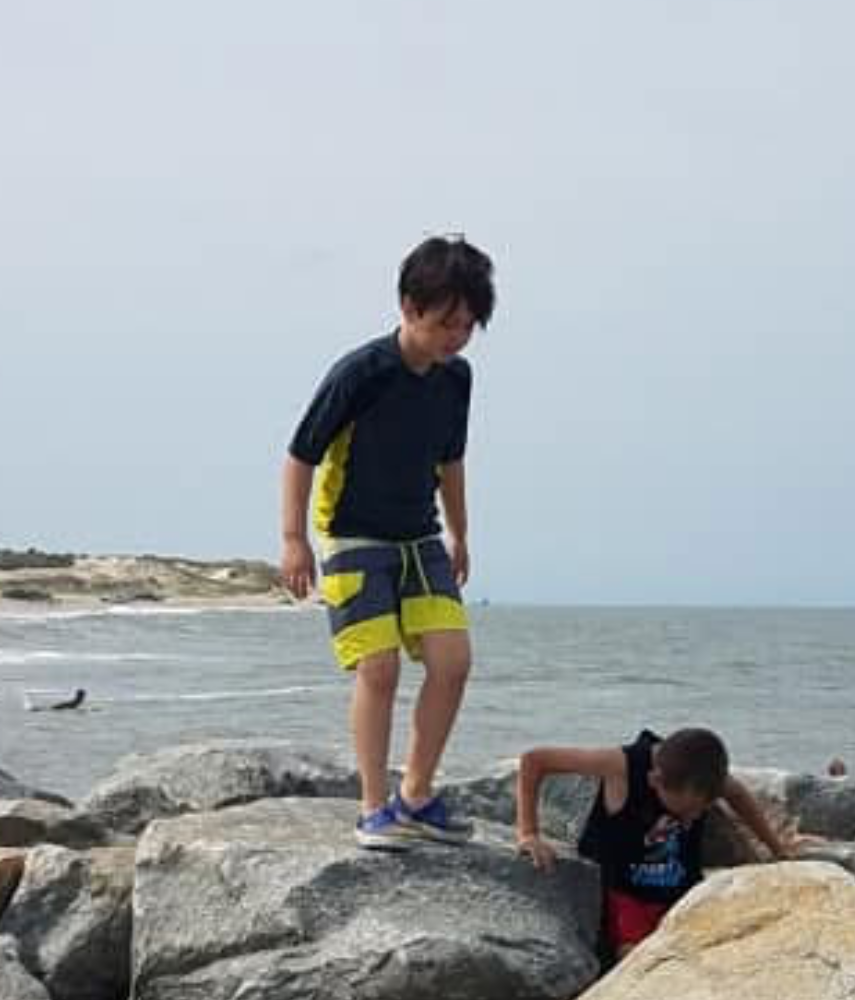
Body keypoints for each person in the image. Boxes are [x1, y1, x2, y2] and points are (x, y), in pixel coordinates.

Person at [281, 235, 495, 846]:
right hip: (353, 537)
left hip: (420, 537)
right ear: (408, 306)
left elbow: (451, 460)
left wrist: (460, 533)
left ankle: (417, 795)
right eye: (445, 322)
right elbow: (301, 454)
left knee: (453, 663)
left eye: (468, 325)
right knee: (378, 670)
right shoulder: (362, 372)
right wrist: (293, 539)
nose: (456, 337)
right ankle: (373, 808)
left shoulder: (457, 379)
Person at [517, 725, 795, 957]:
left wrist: (777, 849)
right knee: (634, 951)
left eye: (701, 811)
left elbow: (738, 795)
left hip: (680, 884)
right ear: (655, 780)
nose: (693, 818)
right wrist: (529, 833)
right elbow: (535, 760)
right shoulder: (620, 765)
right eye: (686, 811)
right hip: (623, 888)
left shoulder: (702, 774)